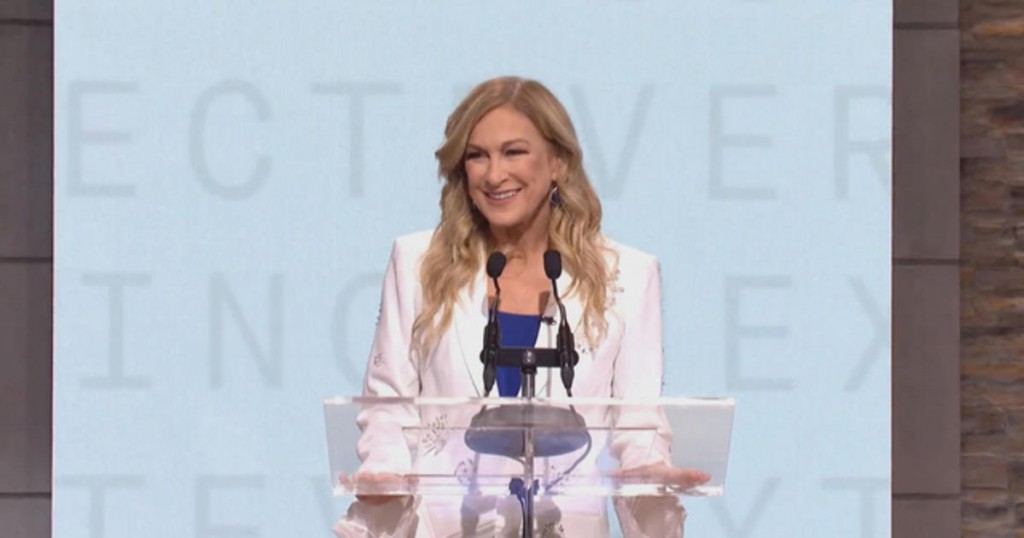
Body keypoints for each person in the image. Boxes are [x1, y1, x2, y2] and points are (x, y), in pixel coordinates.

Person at [334, 76, 704, 538]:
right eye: (477, 156)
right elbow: (388, 406)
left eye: (514, 152)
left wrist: (652, 481)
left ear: (558, 163)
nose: (494, 175)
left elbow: (639, 427)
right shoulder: (418, 264)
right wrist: (384, 477)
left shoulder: (627, 276)